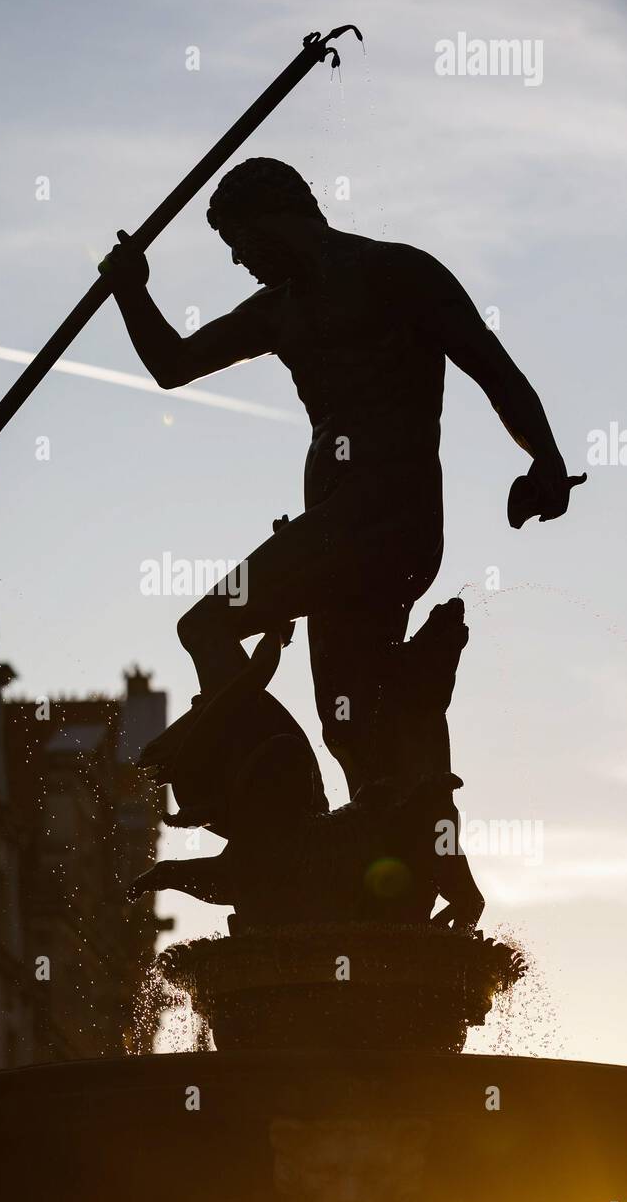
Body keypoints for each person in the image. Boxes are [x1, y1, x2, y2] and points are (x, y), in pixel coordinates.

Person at [100, 156, 577, 794]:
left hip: (380, 516)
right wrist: (131, 290)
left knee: (206, 625)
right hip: (340, 525)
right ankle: (373, 857)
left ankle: (276, 799)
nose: (238, 261)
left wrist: (545, 459)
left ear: (273, 218)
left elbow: (493, 368)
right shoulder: (278, 310)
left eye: (237, 242)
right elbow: (174, 364)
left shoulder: (396, 272)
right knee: (350, 722)